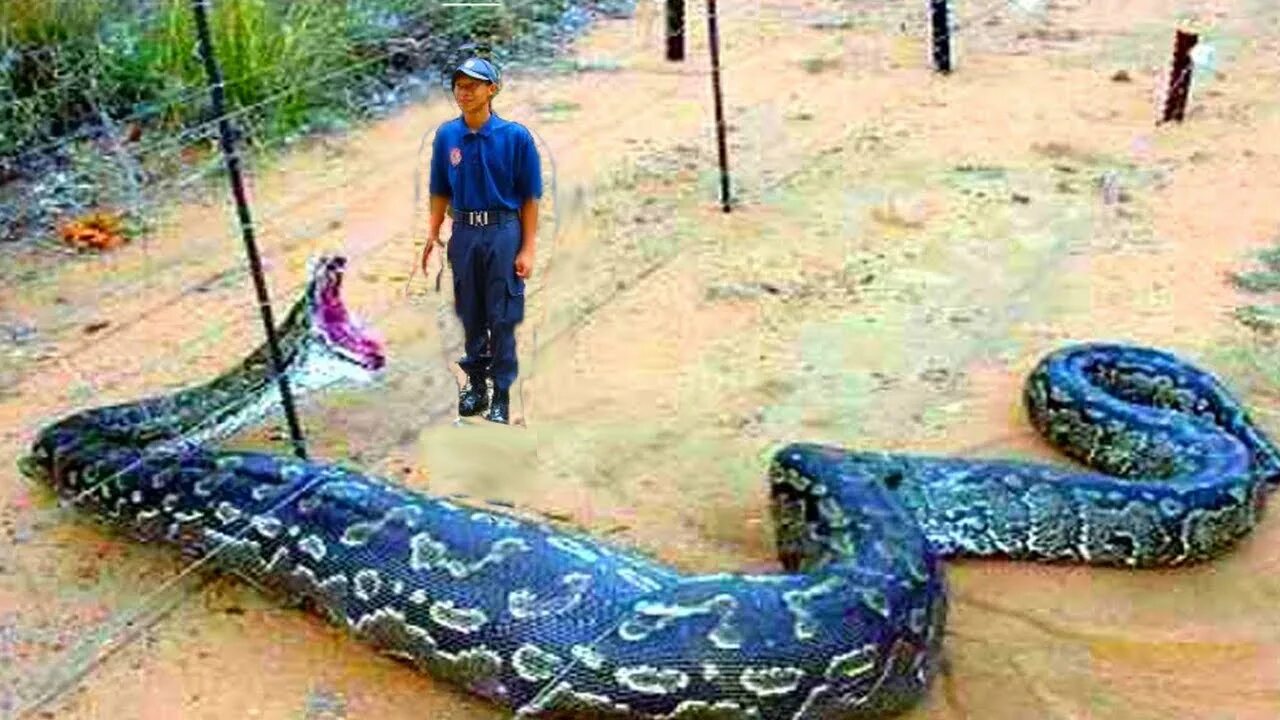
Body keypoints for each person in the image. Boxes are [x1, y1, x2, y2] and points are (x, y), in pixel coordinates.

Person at [422, 56, 542, 425]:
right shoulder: (447, 136)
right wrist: (433, 232)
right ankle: (476, 385)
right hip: (465, 234)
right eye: (459, 84)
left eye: (474, 84)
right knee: (470, 312)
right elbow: (440, 188)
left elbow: (530, 196)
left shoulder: (515, 137)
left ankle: (501, 394)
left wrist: (527, 247)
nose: (464, 91)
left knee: (501, 314)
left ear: (493, 89)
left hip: (503, 231)